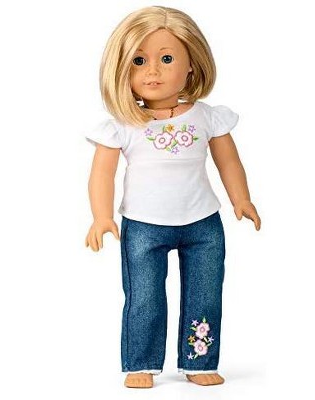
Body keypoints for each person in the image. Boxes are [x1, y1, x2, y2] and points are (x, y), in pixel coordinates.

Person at [84, 6, 261, 389]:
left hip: (203, 223)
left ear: (192, 64)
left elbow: (229, 161)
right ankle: (141, 363)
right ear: (121, 69)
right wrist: (102, 216)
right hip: (143, 225)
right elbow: (102, 173)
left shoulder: (207, 117)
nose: (153, 71)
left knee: (205, 294)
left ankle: (199, 360)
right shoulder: (123, 126)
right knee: (144, 297)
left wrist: (241, 198)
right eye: (139, 61)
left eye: (166, 59)